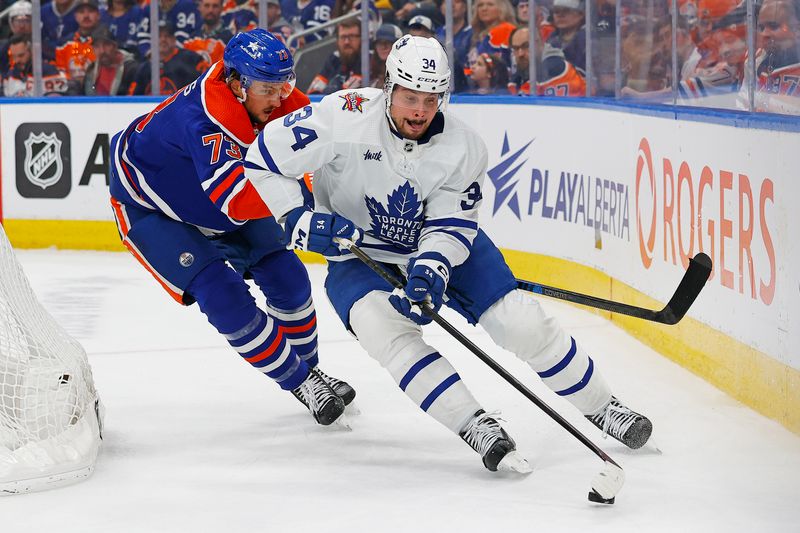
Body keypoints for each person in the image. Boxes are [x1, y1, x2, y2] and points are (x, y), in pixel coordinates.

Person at [243, 35, 653, 471]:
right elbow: (262, 158)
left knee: (520, 321)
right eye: (410, 97)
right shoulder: (341, 118)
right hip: (359, 253)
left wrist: (434, 266)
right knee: (381, 327)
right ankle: (472, 422)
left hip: (440, 250)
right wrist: (296, 218)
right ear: (388, 88)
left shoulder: (464, 147)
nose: (420, 110)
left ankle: (603, 406)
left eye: (431, 98)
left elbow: (450, 224)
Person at [109, 29, 354, 427]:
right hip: (152, 208)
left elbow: (327, 151)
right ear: (237, 84)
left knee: (288, 277)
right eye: (267, 88)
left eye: (283, 85)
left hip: (217, 198)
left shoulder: (279, 99)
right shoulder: (203, 119)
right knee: (221, 293)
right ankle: (299, 380)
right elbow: (237, 201)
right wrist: (305, 197)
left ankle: (311, 372)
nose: (278, 98)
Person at [129, 20, 206, 95]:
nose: (163, 40)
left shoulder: (190, 59)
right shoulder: (144, 68)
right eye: (159, 36)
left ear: (174, 40)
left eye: (167, 36)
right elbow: (132, 99)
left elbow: (204, 86)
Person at [307, 19, 366, 94]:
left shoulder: (368, 60)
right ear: (337, 40)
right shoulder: (334, 58)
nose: (347, 42)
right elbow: (313, 93)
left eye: (352, 36)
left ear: (362, 38)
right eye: (343, 37)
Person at [3, 34, 69, 96]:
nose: (16, 60)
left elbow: (57, 100)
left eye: (21, 55)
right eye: (14, 56)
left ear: (32, 52)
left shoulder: (48, 72)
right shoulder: (10, 75)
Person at [83, 25, 138, 95]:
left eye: (106, 45)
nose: (102, 51)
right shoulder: (91, 70)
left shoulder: (132, 69)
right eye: (97, 46)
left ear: (115, 46)